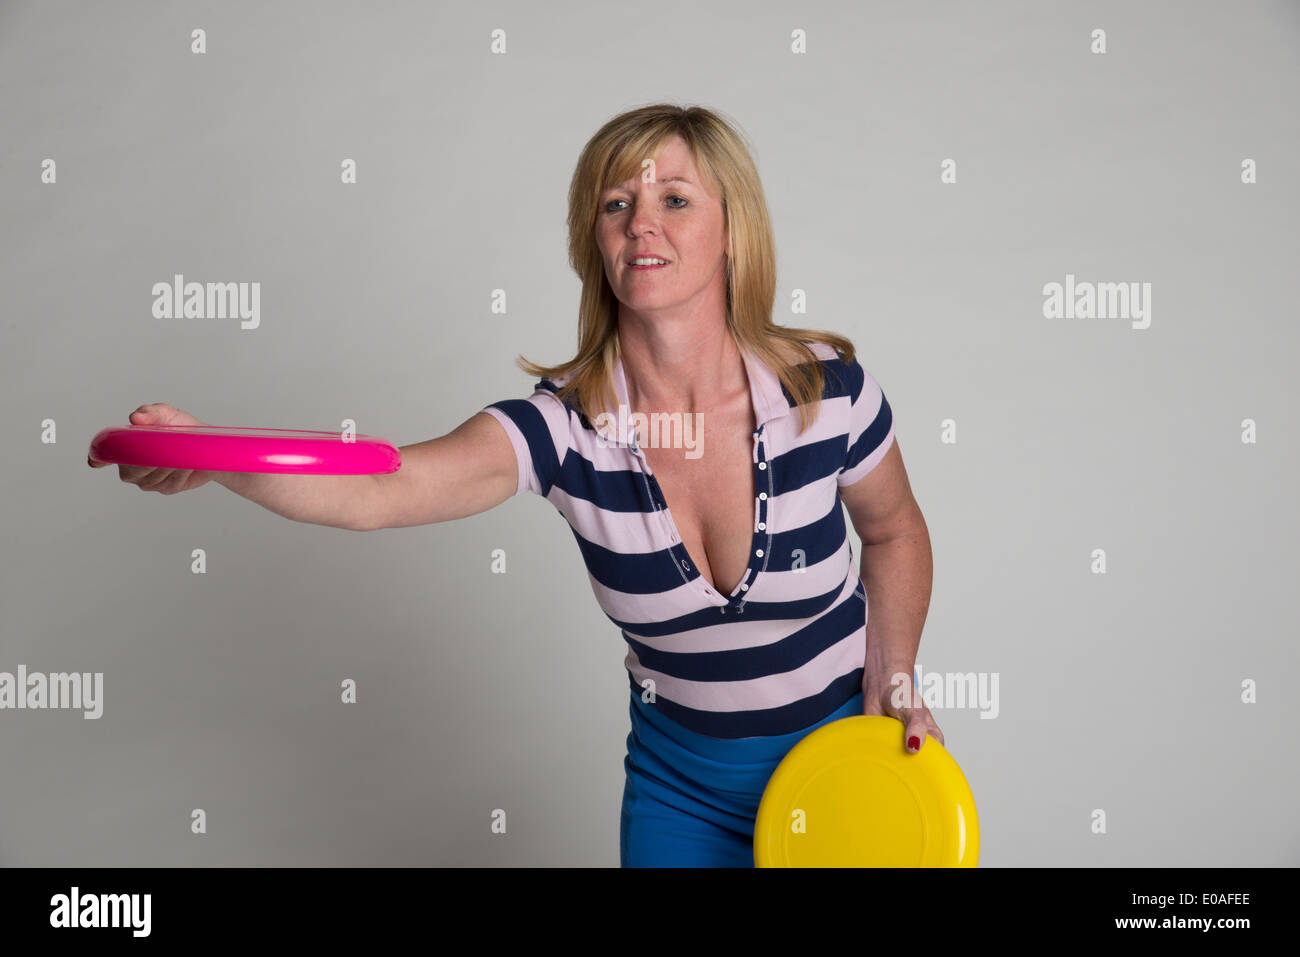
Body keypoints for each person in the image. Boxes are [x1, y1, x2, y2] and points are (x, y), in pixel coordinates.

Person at [90, 103, 940, 868]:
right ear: (595, 241)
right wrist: (221, 457)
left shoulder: (824, 394)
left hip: (840, 770)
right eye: (617, 204)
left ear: (732, 232)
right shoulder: (560, 430)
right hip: (684, 795)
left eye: (675, 198)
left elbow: (896, 531)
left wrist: (894, 678)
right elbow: (389, 484)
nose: (642, 221)